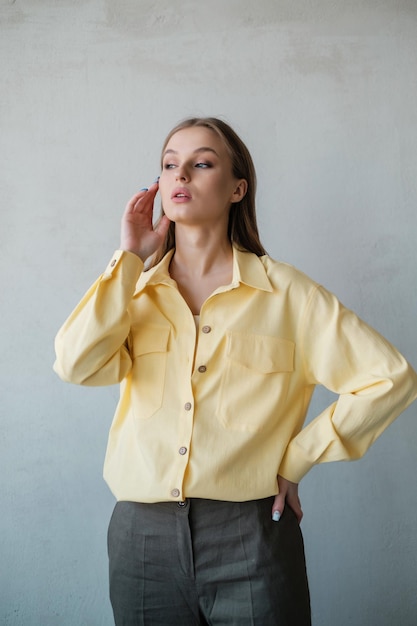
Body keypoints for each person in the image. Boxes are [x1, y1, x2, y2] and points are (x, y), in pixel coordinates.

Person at [54, 117, 417, 626]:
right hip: (141, 537)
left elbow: (390, 377)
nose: (181, 176)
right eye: (169, 165)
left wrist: (298, 458)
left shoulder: (288, 294)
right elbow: (74, 364)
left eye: (201, 164)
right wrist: (129, 260)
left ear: (236, 188)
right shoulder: (132, 291)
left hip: (251, 534)